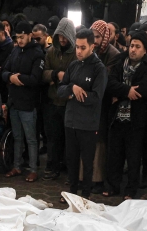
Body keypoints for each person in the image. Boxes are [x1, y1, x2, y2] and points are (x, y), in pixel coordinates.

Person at [103, 30, 147, 198]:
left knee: (133, 158)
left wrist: (119, 94)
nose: (133, 49)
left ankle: (131, 190)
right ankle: (113, 186)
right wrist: (127, 91)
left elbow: (143, 90)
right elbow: (110, 84)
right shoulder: (120, 62)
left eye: (138, 47)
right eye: (132, 45)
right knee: (114, 155)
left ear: (145, 50)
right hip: (116, 117)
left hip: (136, 120)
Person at [58, 27, 107, 198]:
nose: (78, 51)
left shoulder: (99, 69)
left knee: (87, 162)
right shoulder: (73, 65)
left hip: (88, 124)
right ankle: (72, 193)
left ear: (92, 47)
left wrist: (77, 94)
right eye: (77, 47)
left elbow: (96, 97)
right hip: (70, 121)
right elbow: (60, 89)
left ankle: (85, 196)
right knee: (71, 160)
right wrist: (73, 88)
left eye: (83, 48)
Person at [1, 20, 45, 181]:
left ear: (30, 35)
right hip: (14, 102)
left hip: (28, 103)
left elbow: (35, 79)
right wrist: (10, 77)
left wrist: (18, 79)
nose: (19, 40)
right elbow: (3, 70)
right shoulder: (15, 51)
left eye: (22, 37)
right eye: (17, 37)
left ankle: (33, 169)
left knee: (31, 138)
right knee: (17, 137)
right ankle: (17, 166)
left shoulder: (37, 53)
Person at [90, 20, 123, 195]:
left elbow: (105, 78)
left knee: (100, 142)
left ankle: (98, 179)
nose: (95, 40)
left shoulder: (113, 54)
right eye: (93, 36)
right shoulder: (89, 49)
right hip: (89, 103)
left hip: (104, 104)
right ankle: (85, 177)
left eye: (98, 37)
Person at [41, 18, 75, 180]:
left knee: (68, 139)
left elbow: (75, 75)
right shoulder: (50, 52)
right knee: (52, 137)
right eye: (59, 35)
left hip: (69, 102)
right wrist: (56, 74)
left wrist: (63, 78)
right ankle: (52, 166)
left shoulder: (75, 53)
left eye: (65, 36)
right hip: (53, 101)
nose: (62, 39)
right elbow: (44, 73)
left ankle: (68, 168)